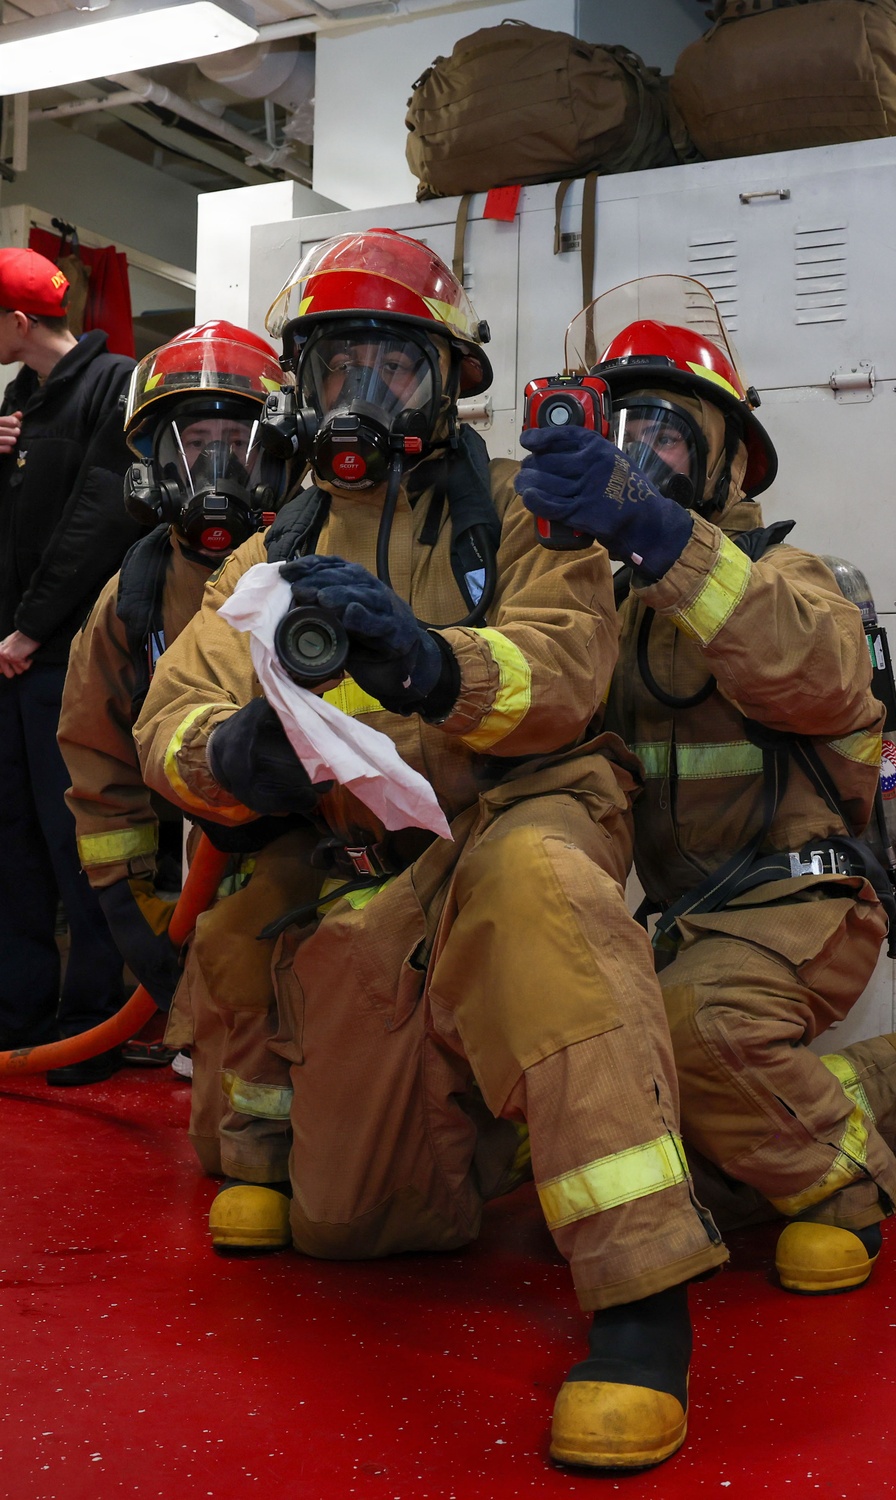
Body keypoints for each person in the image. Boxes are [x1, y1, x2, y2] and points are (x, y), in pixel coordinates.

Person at [133, 229, 743, 1473]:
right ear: (298, 388)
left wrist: (427, 662)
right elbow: (166, 726)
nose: (360, 397)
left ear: (447, 380)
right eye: (336, 365)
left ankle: (639, 1307)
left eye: (392, 367)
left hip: (521, 806)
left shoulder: (529, 505)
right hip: (375, 861)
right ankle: (513, 1119)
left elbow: (568, 671)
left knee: (544, 907)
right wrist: (237, 755)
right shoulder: (268, 550)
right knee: (353, 1222)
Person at [515, 274, 896, 1308]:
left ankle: (848, 1185)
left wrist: (658, 535)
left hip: (806, 900)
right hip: (686, 920)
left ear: (726, 460)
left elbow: (815, 671)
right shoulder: (599, 603)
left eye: (668, 434)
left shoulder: (793, 576)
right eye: (619, 427)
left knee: (694, 1030)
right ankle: (895, 1084)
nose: (639, 455)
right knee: (594, 1074)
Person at [57, 321, 291, 1092]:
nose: (219, 461)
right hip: (209, 858)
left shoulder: (323, 551)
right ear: (157, 463)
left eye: (239, 436)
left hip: (327, 855)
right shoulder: (134, 595)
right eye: (197, 439)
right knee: (232, 1103)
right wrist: (138, 919)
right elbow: (95, 760)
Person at [0, 246, 142, 1081]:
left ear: (20, 323)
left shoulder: (113, 385)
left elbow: (100, 518)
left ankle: (94, 1020)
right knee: (11, 842)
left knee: (82, 840)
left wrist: (29, 630)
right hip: (11, 659)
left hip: (66, 661)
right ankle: (18, 1013)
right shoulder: (18, 400)